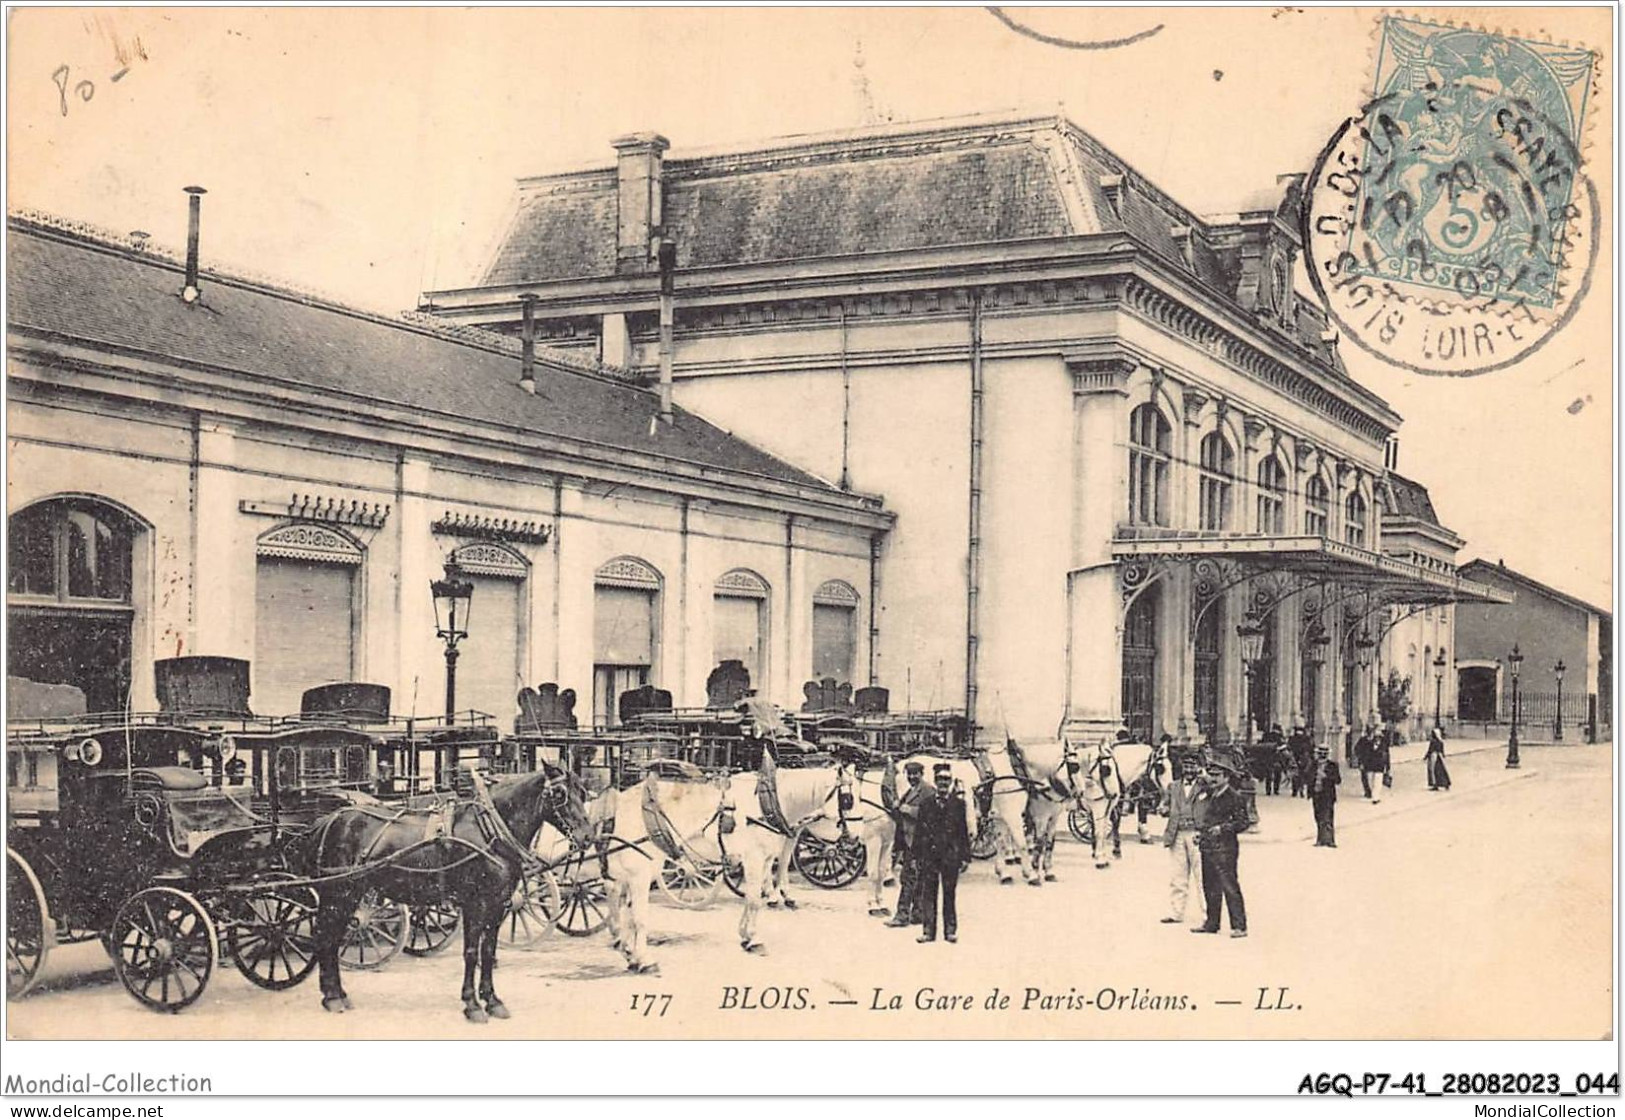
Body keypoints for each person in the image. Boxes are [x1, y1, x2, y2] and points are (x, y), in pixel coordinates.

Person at [1191, 756, 1250, 938]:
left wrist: (1223, 828)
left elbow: (1243, 822)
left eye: (1217, 775)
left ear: (1226, 777)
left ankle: (1239, 926)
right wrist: (1200, 832)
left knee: (1229, 886)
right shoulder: (1209, 794)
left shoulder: (1235, 796)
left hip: (1226, 848)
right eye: (1211, 774)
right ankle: (1212, 923)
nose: (1213, 778)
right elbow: (1205, 819)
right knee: (1209, 886)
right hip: (1207, 846)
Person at [914, 763, 971, 943]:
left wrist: (965, 857)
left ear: (951, 781)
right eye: (940, 779)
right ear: (935, 781)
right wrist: (916, 856)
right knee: (928, 894)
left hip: (950, 856)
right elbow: (919, 831)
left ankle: (950, 931)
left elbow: (963, 831)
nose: (943, 783)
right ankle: (928, 932)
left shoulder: (959, 805)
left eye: (947, 779)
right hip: (930, 856)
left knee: (949, 894)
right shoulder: (926, 804)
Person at [884, 761, 934, 927]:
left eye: (915, 774)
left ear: (922, 774)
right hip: (909, 841)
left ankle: (902, 915)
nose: (912, 777)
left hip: (919, 842)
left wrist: (907, 809)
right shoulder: (912, 790)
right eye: (909, 774)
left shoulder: (927, 790)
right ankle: (918, 913)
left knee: (908, 878)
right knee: (918, 878)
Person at [1158, 751, 1205, 926]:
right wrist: (1163, 809)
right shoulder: (1174, 787)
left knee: (1201, 876)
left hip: (1196, 834)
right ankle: (1176, 912)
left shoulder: (1204, 785)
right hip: (1176, 833)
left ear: (1199, 768)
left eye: (1193, 765)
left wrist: (1205, 775)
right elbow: (1165, 805)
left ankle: (1207, 915)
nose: (1189, 769)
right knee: (1178, 876)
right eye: (1186, 766)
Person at [1310, 744, 1341, 847]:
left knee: (1328, 817)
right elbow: (1307, 777)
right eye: (1320, 753)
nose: (1322, 755)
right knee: (1318, 816)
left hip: (1327, 794)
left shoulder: (1333, 765)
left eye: (1324, 753)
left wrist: (1327, 777)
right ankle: (1320, 839)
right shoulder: (1313, 764)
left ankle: (1330, 840)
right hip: (1316, 793)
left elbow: (1338, 780)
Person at [1355, 725, 1377, 799]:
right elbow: (1357, 749)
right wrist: (1360, 758)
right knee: (1365, 777)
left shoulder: (1375, 741)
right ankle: (1368, 792)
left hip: (1372, 761)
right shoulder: (1363, 740)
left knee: (1371, 777)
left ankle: (1370, 791)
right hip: (1364, 761)